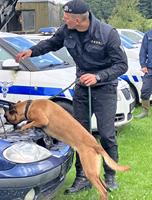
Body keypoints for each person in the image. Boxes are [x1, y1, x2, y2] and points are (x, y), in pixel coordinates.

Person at [15, 0, 128, 194]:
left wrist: (98, 76)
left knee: (106, 134)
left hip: (105, 89)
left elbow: (121, 65)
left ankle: (110, 177)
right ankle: (82, 177)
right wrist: (32, 51)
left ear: (78, 19)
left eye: (66, 17)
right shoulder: (67, 30)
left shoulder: (107, 33)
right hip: (82, 88)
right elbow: (51, 43)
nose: (63, 19)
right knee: (79, 134)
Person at [135, 30, 152, 118]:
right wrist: (143, 65)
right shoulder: (148, 35)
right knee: (145, 90)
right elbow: (143, 51)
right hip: (150, 69)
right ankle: (145, 112)